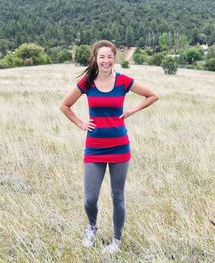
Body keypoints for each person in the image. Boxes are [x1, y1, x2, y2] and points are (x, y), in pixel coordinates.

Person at [60, 40, 159, 255]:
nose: (106, 61)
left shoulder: (123, 81)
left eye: (110, 56)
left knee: (118, 196)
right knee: (90, 198)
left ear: (115, 58)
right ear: (95, 58)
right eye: (102, 57)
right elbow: (65, 105)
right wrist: (81, 124)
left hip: (119, 147)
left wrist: (132, 111)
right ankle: (92, 227)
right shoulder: (87, 82)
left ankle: (116, 241)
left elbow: (153, 95)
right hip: (94, 147)